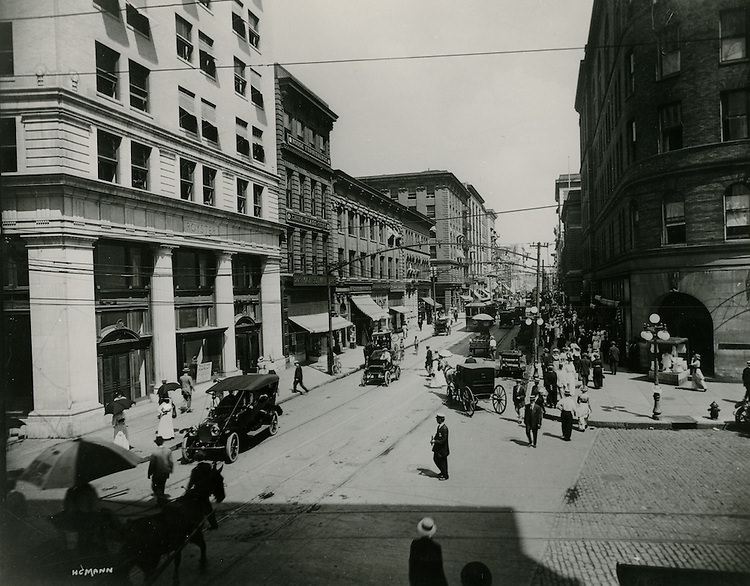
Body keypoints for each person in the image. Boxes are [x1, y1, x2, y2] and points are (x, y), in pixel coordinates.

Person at [409, 517, 448, 586]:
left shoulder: (415, 544)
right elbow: (439, 569)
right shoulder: (436, 547)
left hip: (418, 580)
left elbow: (412, 565)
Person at [148, 436, 173, 504]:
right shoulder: (168, 451)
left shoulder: (154, 452)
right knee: (162, 485)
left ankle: (160, 499)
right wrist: (170, 470)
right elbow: (170, 462)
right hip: (165, 472)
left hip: (157, 473)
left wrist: (149, 473)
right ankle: (161, 498)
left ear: (156, 443)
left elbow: (152, 464)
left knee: (155, 486)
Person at [431, 413, 449, 480]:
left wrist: (435, 441)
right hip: (438, 448)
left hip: (443, 449)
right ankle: (442, 472)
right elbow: (437, 434)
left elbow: (443, 440)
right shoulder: (439, 427)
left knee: (443, 462)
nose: (437, 420)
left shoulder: (444, 428)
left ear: (441, 419)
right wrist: (434, 439)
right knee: (436, 459)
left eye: (438, 418)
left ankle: (445, 475)